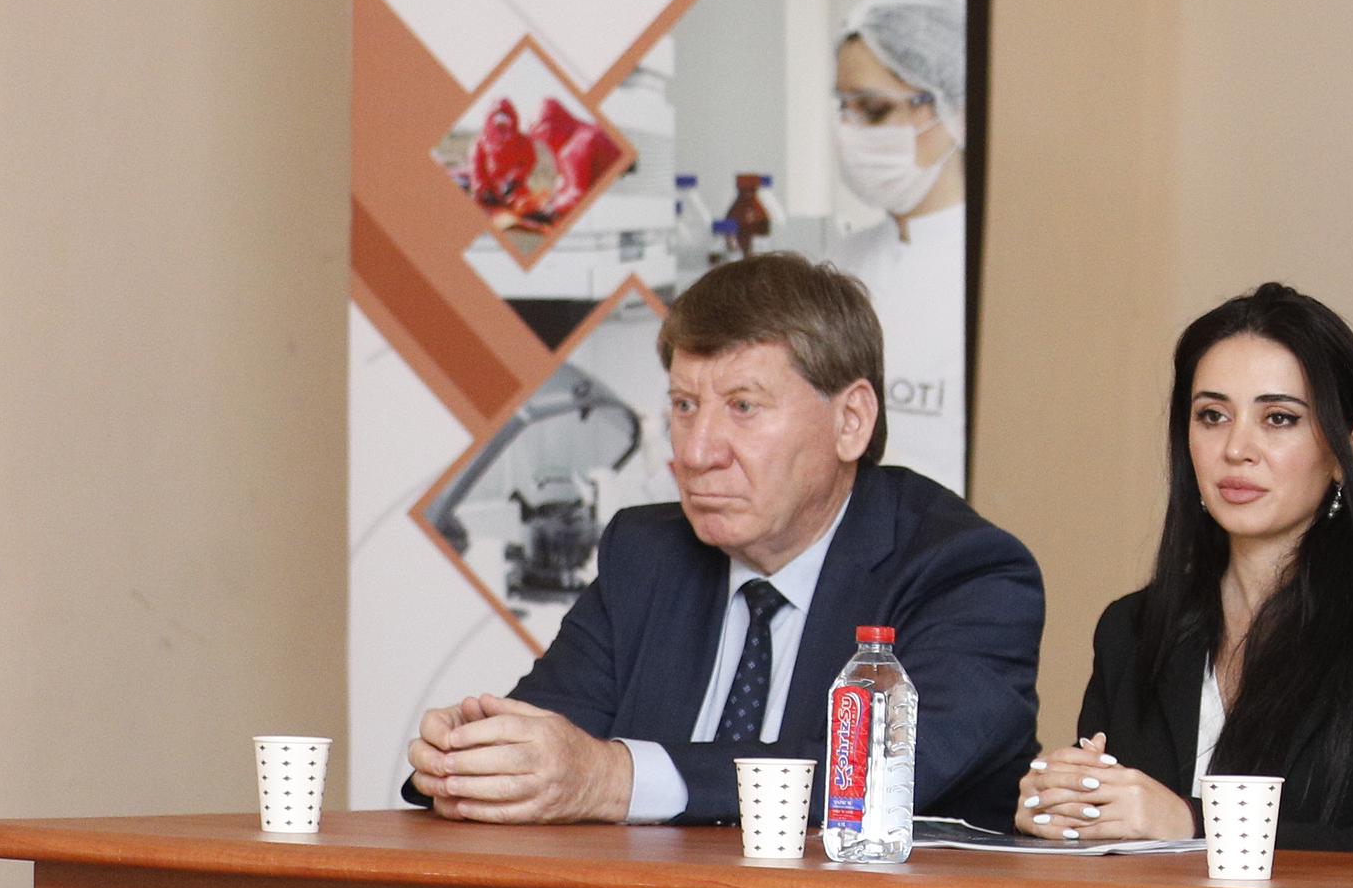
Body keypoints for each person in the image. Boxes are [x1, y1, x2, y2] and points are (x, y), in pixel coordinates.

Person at [407, 253, 1042, 824]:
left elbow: (880, 775)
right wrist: (469, 759)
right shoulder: (646, 555)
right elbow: (550, 745)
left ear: (850, 421)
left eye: (743, 406)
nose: (696, 453)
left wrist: (615, 779)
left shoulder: (965, 573)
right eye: (684, 406)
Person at [1021, 284, 1353, 854]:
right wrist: (1063, 806)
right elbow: (1105, 841)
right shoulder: (1131, 628)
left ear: (1351, 446)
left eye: (1279, 418)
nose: (1237, 448)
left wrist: (1191, 822)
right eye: (1212, 416)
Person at [830, 0, 970, 494]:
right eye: (844, 107)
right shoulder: (842, 265)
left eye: (872, 109)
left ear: (952, 108)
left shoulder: (999, 277)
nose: (850, 131)